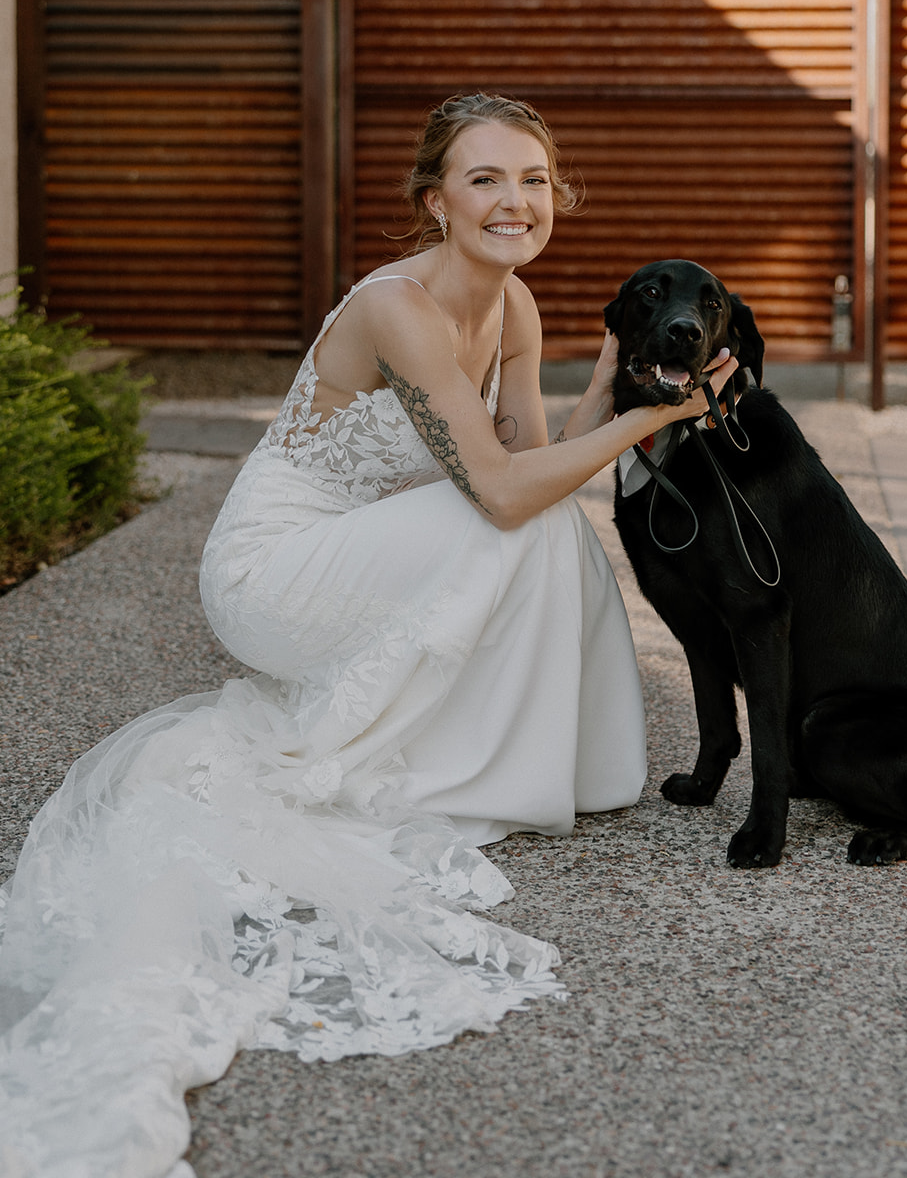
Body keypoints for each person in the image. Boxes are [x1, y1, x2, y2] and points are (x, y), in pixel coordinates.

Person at [0, 93, 736, 1178]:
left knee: (548, 534)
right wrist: (651, 421)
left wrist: (609, 389)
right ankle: (469, 767)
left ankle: (511, 760)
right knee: (515, 524)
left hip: (381, 549)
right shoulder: (396, 306)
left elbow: (539, 464)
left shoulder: (518, 309)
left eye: (531, 180)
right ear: (433, 199)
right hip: (276, 572)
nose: (512, 201)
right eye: (483, 179)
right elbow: (495, 493)